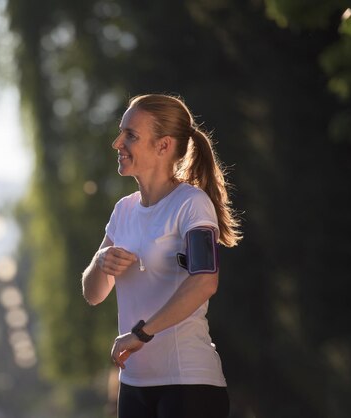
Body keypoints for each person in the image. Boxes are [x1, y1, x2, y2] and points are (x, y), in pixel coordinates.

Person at [82, 94, 242, 418]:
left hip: (189, 385)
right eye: (120, 132)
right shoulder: (123, 210)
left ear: (163, 146)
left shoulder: (191, 204)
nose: (117, 143)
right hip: (134, 386)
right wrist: (101, 263)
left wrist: (141, 333)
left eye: (131, 135)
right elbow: (93, 293)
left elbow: (204, 282)